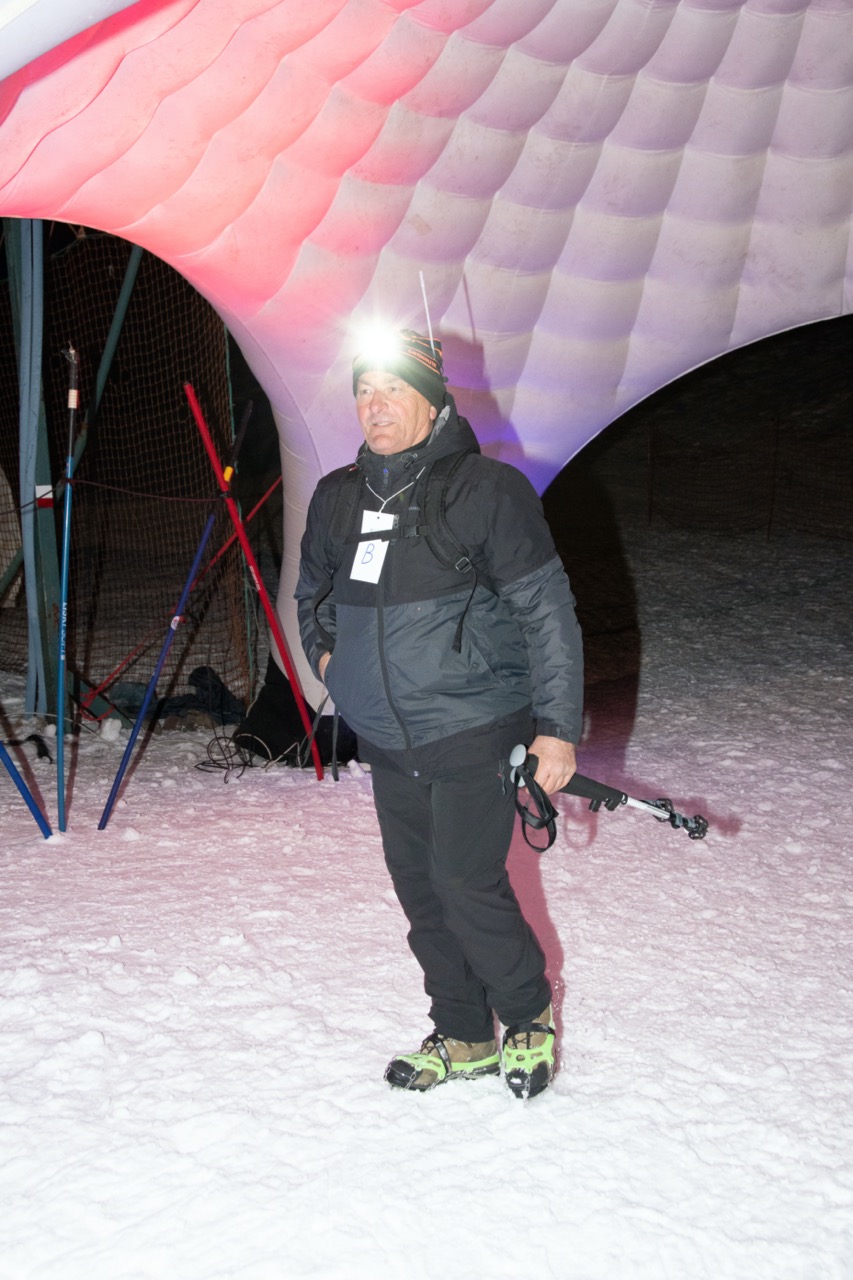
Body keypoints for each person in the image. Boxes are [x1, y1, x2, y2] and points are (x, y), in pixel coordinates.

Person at [295, 329, 583, 1099]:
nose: (375, 405)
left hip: (473, 724)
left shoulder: (486, 491)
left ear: (431, 402)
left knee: (464, 880)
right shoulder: (337, 497)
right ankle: (462, 1035)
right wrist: (332, 668)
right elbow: (312, 594)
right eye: (364, 390)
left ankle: (525, 1016)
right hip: (387, 736)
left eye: (393, 389)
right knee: (420, 890)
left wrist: (557, 729)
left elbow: (546, 613)